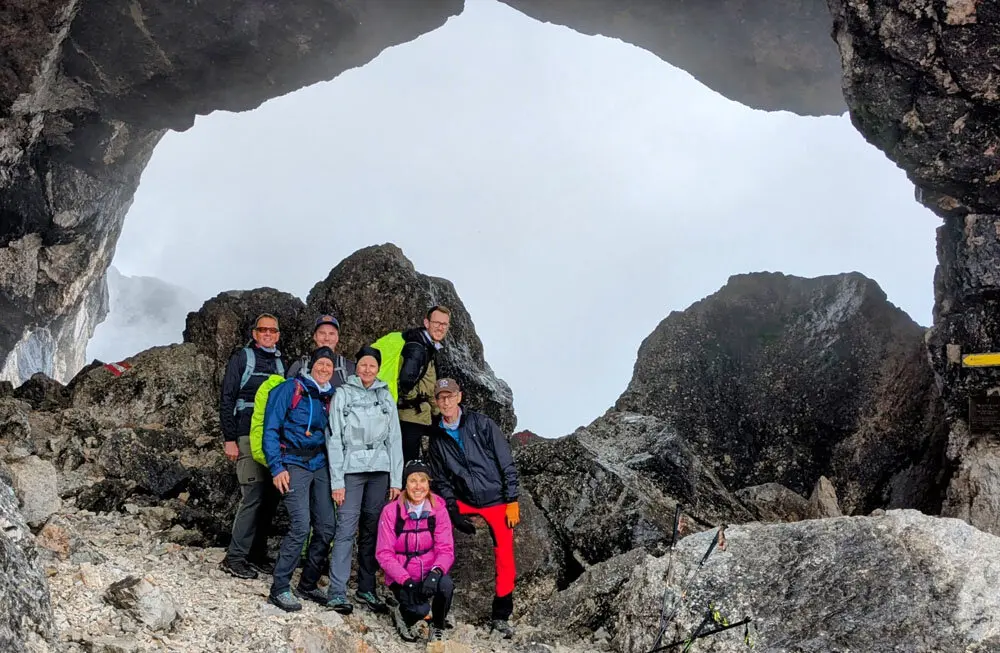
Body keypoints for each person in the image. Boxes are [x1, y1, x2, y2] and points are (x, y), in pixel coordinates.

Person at [427, 378, 520, 639]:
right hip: (464, 500)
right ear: (436, 402)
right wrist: (452, 510)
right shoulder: (436, 439)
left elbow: (505, 461)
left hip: (496, 499)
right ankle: (432, 604)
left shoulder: (482, 423)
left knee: (505, 557)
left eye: (450, 396)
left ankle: (501, 616)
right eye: (440, 397)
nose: (445, 401)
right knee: (434, 520)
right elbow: (442, 481)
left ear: (459, 396)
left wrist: (512, 499)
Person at [326, 345, 404, 614]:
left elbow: (394, 438)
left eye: (372, 365)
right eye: (363, 365)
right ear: (355, 367)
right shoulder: (343, 394)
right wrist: (337, 481)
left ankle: (366, 589)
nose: (367, 369)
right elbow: (334, 438)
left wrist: (396, 480)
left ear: (378, 368)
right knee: (346, 529)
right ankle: (337, 591)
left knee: (372, 530)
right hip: (351, 470)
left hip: (380, 471)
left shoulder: (385, 396)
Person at [260, 347, 337, 611]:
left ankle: (308, 583)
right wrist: (276, 467)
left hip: (320, 464)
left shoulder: (330, 396)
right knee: (301, 525)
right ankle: (279, 587)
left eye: (329, 365)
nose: (324, 369)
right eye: (321, 364)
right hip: (293, 463)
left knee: (327, 527)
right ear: (311, 365)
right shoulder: (291, 388)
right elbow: (270, 428)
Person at [218, 313, 286, 579]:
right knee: (253, 495)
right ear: (255, 334)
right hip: (246, 434)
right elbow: (228, 397)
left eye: (272, 330)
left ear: (278, 335)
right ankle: (234, 557)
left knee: (270, 499)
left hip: (271, 439)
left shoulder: (281, 363)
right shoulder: (242, 359)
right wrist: (229, 439)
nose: (268, 334)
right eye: (262, 330)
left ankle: (256, 555)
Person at [376, 460, 455, 644]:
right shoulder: (391, 512)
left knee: (446, 586)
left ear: (429, 483)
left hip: (429, 571)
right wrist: (405, 580)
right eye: (413, 480)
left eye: (423, 480)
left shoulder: (439, 510)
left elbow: (446, 549)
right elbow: (384, 553)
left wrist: (435, 573)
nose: (418, 486)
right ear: (405, 484)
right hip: (402, 575)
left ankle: (437, 625)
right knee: (419, 610)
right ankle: (402, 615)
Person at [396, 306, 451, 463]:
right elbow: (406, 381)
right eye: (437, 322)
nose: (440, 327)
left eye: (444, 324)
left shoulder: (429, 347)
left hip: (419, 416)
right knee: (409, 465)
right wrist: (418, 401)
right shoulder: (417, 347)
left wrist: (435, 411)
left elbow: (429, 382)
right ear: (426, 323)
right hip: (410, 418)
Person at [286, 314, 356, 386]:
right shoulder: (299, 366)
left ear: (337, 338)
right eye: (322, 333)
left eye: (331, 334)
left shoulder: (348, 368)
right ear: (315, 336)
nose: (327, 338)